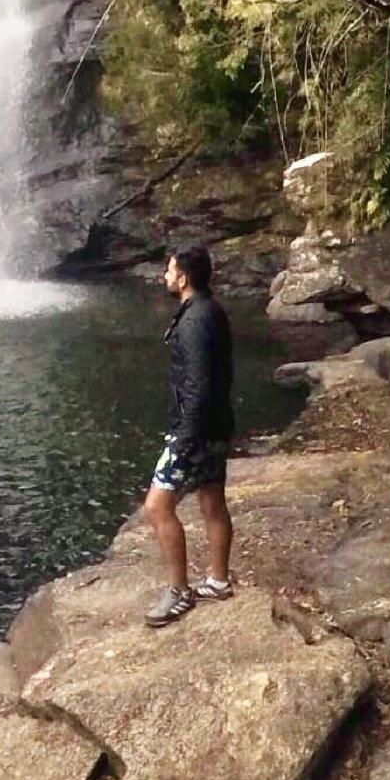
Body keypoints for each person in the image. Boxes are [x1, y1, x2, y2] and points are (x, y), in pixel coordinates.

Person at [142, 245, 235, 626]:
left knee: (157, 507)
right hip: (215, 426)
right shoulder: (209, 309)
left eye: (169, 270)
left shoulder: (195, 320)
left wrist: (184, 436)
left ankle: (179, 592)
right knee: (212, 501)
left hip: (195, 431)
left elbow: (197, 383)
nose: (164, 276)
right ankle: (217, 580)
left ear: (183, 278)